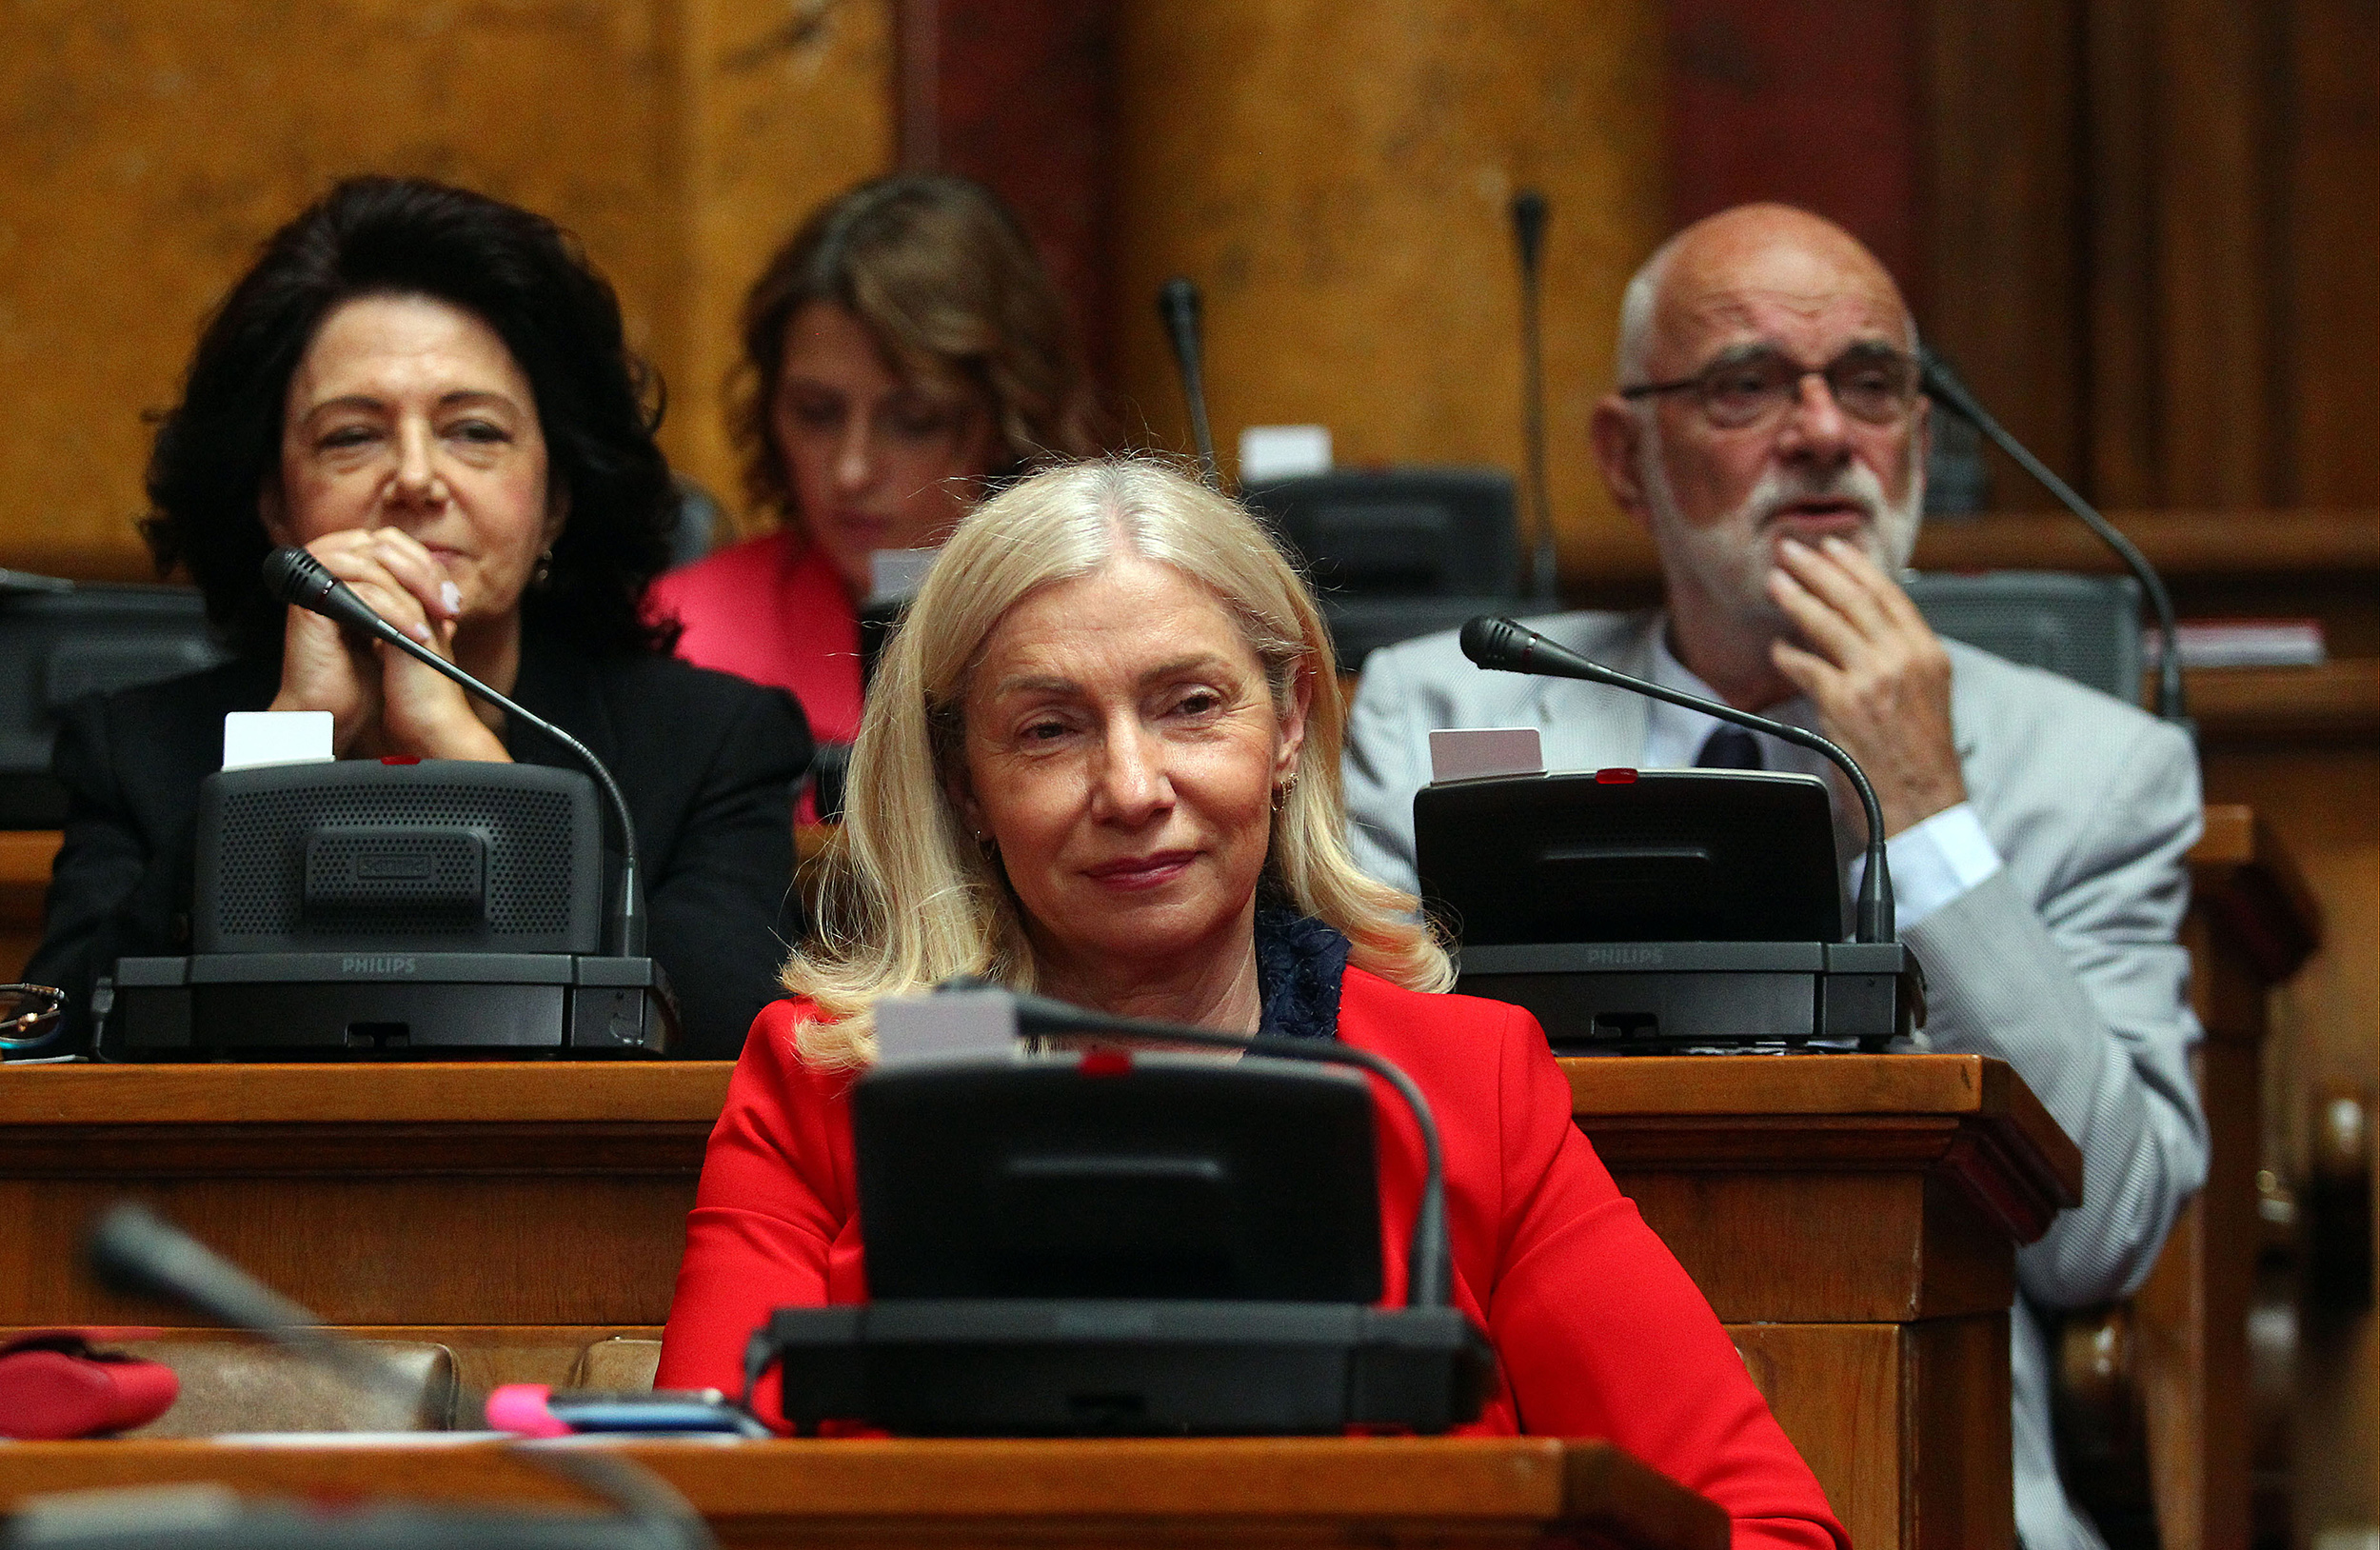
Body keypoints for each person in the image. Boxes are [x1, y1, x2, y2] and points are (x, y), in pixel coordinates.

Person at [655, 459, 1849, 1548]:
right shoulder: (829, 1082)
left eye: (1189, 705)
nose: (1132, 787)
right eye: (1049, 728)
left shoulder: (1457, 1079)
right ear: (966, 782)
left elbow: (1763, 1524)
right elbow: (684, 1520)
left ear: (1287, 724)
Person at [1340, 203, 2206, 1550]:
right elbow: (1384, 1136)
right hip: (1533, 1426)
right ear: (1626, 458)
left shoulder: (2099, 772)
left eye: (1870, 385)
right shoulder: (1436, 708)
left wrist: (1921, 811)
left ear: (1920, 439)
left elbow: (2109, 1232)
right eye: (1748, 385)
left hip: (1941, 1456)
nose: (1820, 433)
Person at [29, 175, 812, 1060]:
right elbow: (53, 1042)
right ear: (276, 507)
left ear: (555, 500)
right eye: (351, 436)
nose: (415, 478)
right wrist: (286, 750)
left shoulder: (709, 745)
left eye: (474, 431)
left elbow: (717, 1045)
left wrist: (464, 750)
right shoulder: (135, 751)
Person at [645, 174, 1101, 746]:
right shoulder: (677, 637)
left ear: (1010, 418)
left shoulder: (1105, 624)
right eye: (816, 413)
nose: (851, 470)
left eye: (913, 420)